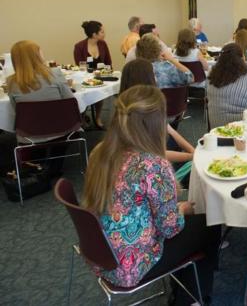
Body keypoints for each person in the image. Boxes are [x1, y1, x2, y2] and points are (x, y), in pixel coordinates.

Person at [82, 85, 221, 305]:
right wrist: (182, 208)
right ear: (158, 124)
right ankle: (191, 298)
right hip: (130, 265)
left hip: (101, 254)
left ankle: (185, 282)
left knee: (192, 224)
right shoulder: (153, 165)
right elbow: (170, 227)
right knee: (209, 225)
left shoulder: (100, 151)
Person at [6, 41, 74, 176]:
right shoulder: (54, 73)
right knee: (69, 122)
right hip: (60, 130)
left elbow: (17, 111)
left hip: (29, 133)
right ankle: (54, 166)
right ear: (35, 55)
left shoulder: (11, 82)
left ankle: (40, 162)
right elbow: (70, 102)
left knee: (38, 125)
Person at [119, 59, 195, 165]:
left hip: (159, 156)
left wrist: (193, 152)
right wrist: (190, 156)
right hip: (150, 165)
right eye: (154, 74)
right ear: (146, 79)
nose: (156, 77)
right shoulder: (137, 112)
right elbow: (152, 154)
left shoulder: (142, 103)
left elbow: (170, 130)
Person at [73, 20, 111, 127]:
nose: (104, 34)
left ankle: (98, 117)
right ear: (94, 34)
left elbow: (108, 62)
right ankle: (82, 117)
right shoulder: (79, 46)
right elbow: (80, 66)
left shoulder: (103, 44)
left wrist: (107, 73)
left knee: (100, 93)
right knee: (84, 96)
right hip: (85, 79)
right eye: (102, 32)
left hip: (101, 78)